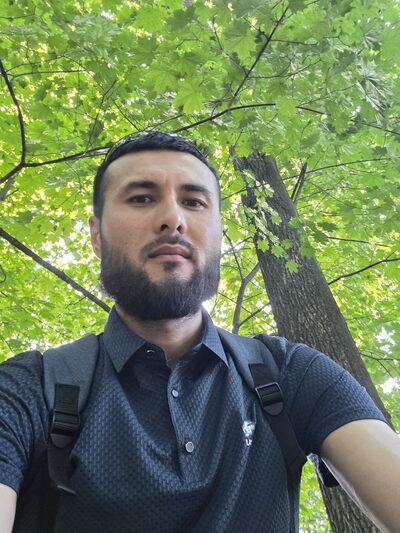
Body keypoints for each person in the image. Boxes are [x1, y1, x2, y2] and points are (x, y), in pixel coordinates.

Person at [0, 131, 399, 533]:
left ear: (219, 234)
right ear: (96, 236)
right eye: (141, 198)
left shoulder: (294, 374)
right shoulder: (26, 389)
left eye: (194, 202)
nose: (173, 218)